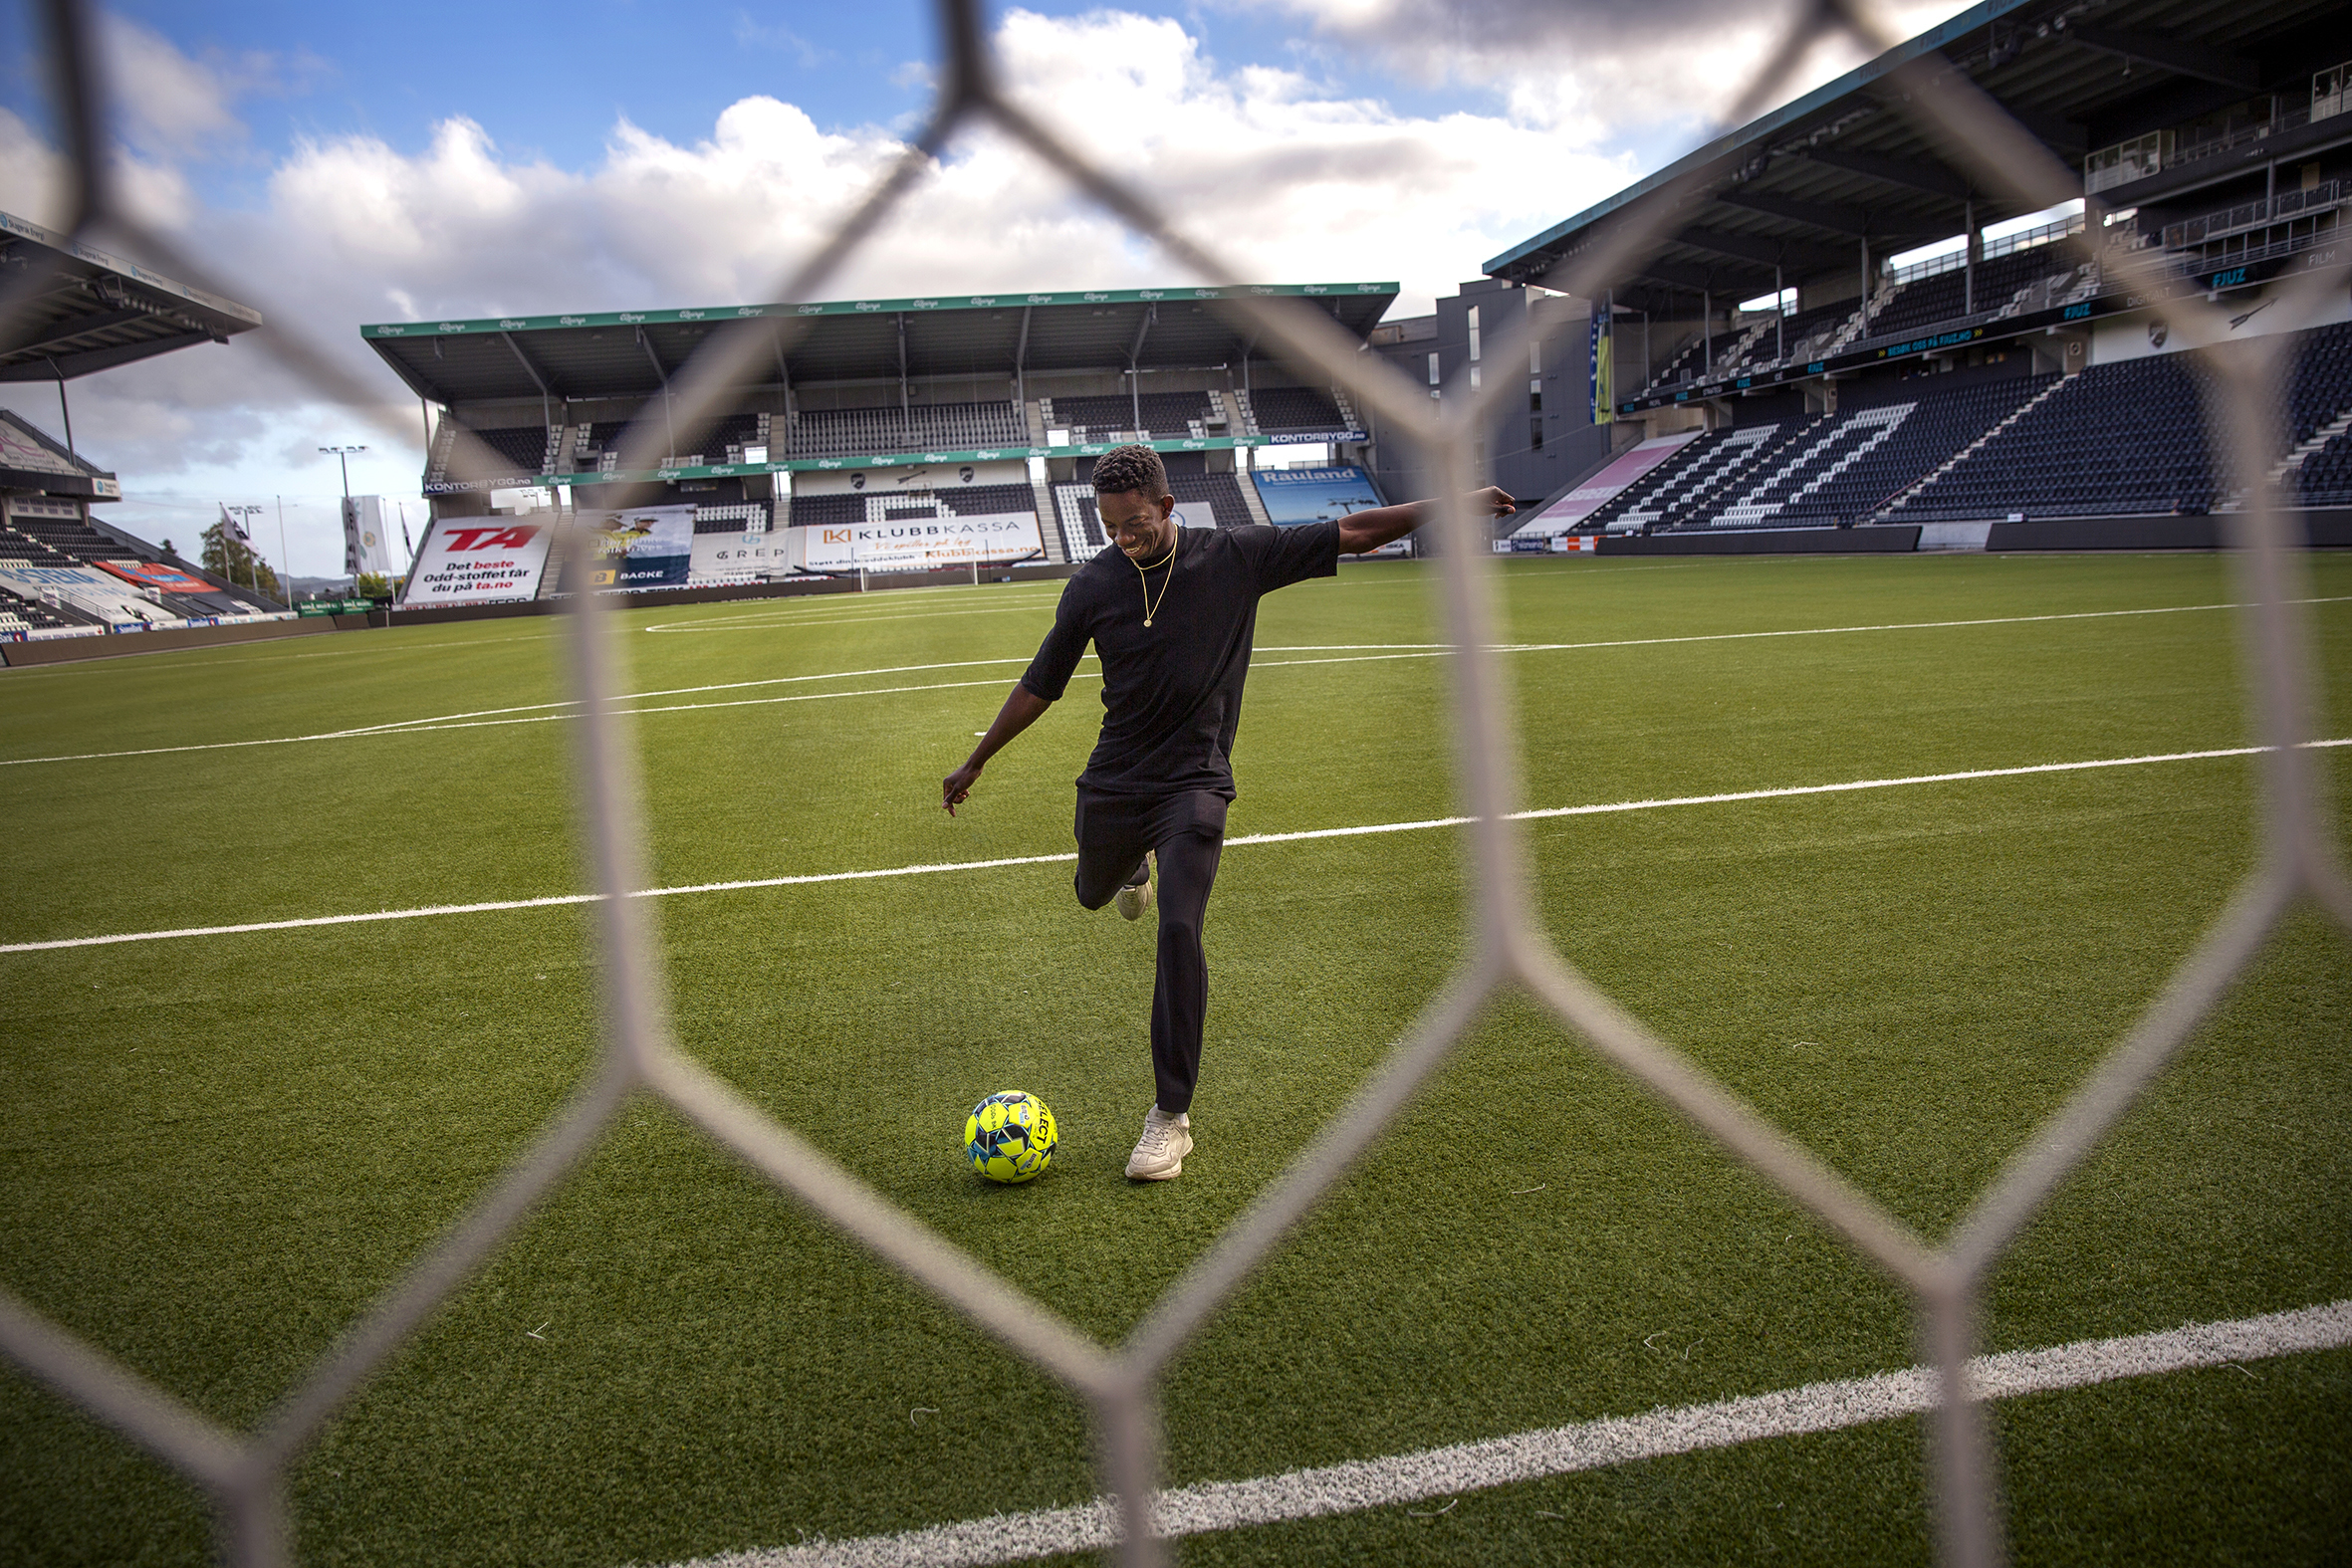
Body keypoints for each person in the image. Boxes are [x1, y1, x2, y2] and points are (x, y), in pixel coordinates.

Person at [941, 445, 1514, 1181]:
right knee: (1090, 891)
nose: (1124, 538)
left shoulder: (1234, 556)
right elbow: (1040, 682)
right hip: (1115, 782)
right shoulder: (1093, 585)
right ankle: (1127, 868)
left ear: (1168, 506)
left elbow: (1360, 532)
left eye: (1136, 524)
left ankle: (1170, 1117)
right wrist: (978, 757)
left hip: (1195, 782)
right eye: (1111, 526)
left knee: (1180, 926)